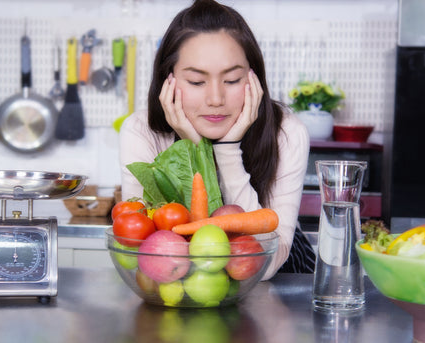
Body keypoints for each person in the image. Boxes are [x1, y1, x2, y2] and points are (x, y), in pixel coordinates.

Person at [119, 0, 315, 278]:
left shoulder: (287, 133)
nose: (215, 99)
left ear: (253, 79)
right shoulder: (141, 131)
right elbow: (155, 257)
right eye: (197, 82)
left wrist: (227, 152)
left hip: (279, 290)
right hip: (185, 289)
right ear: (168, 80)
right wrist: (193, 150)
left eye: (232, 80)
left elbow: (266, 265)